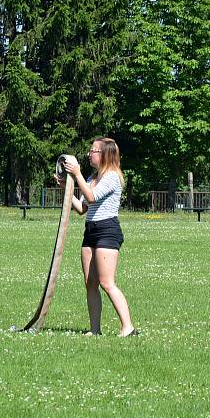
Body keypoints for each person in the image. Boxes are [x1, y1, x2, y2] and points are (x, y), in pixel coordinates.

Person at [58, 137, 138, 337]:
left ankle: (128, 327)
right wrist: (64, 188)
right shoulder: (92, 178)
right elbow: (82, 208)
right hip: (91, 230)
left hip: (107, 230)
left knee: (106, 282)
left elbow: (92, 197)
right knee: (90, 283)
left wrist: (76, 174)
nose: (89, 154)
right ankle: (95, 330)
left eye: (93, 151)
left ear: (104, 155)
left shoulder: (112, 176)